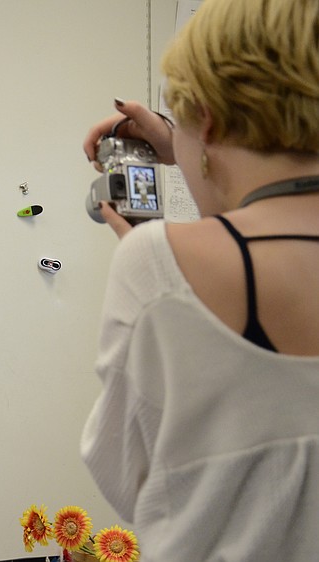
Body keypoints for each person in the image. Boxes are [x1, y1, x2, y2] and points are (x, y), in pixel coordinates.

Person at [80, 0, 319, 560]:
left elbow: (125, 477)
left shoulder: (157, 264)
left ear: (207, 117)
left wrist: (161, 276)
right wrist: (187, 145)